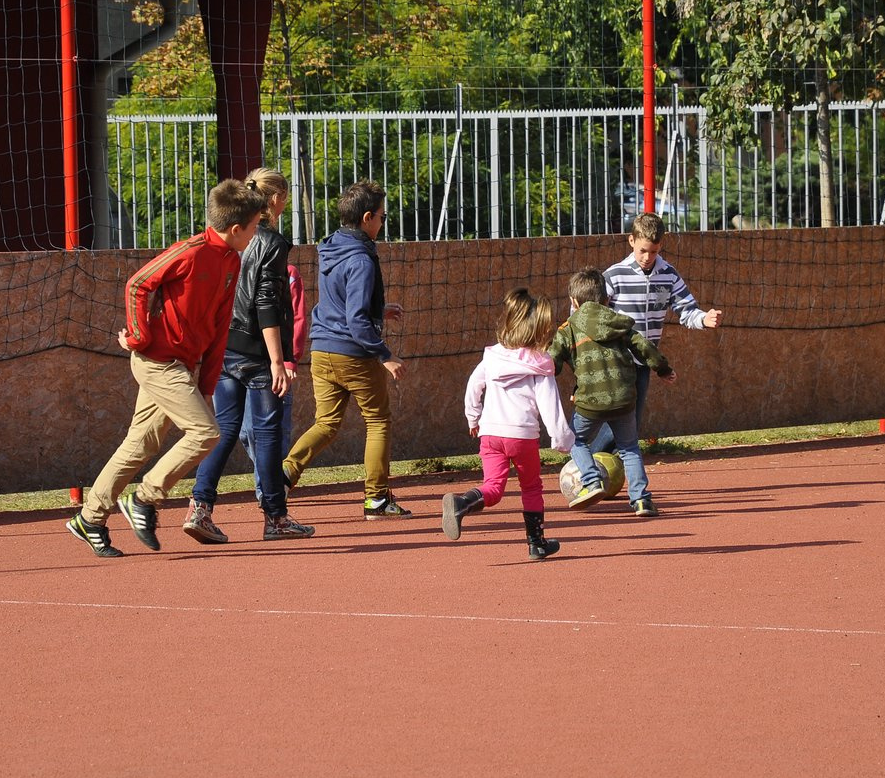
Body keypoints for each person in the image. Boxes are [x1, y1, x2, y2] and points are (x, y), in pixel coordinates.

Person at [66, 179, 265, 557]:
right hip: (157, 361)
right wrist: (139, 338)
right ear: (237, 229)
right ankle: (145, 498)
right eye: (255, 226)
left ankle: (89, 518)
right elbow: (138, 284)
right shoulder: (190, 251)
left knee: (140, 443)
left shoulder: (232, 260)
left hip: (184, 365)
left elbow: (221, 324)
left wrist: (206, 382)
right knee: (206, 433)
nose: (257, 233)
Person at [183, 167, 316, 544]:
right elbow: (266, 303)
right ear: (275, 200)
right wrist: (278, 359)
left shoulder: (231, 238)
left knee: (224, 430)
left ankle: (200, 506)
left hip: (226, 345)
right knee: (268, 432)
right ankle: (275, 517)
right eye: (284, 195)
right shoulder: (271, 242)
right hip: (258, 350)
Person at [281, 178, 411, 519]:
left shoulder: (332, 247)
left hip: (322, 350)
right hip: (353, 352)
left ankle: (282, 476)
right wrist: (386, 355)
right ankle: (377, 499)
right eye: (382, 217)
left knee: (326, 423)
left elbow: (341, 301)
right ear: (368, 218)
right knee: (379, 421)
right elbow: (354, 319)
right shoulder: (363, 260)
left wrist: (379, 310)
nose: (383, 223)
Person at [441, 288, 574, 560]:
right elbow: (551, 408)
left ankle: (462, 503)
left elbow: (473, 386)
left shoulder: (493, 357)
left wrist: (473, 417)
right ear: (539, 331)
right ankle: (536, 543)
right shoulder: (540, 365)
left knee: (493, 487)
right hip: (522, 436)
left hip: (490, 434)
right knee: (531, 487)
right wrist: (563, 441)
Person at [550, 267, 675, 517]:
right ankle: (641, 500)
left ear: (573, 302)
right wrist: (662, 369)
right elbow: (644, 346)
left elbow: (552, 363)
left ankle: (592, 480)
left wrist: (538, 373)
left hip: (590, 402)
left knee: (576, 440)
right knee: (629, 447)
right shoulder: (619, 323)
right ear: (606, 299)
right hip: (623, 398)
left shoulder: (567, 330)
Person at [602, 211, 722, 442]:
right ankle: (585, 459)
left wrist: (703, 319)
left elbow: (686, 309)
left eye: (654, 251)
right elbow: (590, 311)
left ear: (661, 246)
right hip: (616, 358)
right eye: (643, 251)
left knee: (632, 421)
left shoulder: (668, 274)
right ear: (631, 241)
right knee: (618, 417)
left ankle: (604, 466)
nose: (648, 257)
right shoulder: (614, 275)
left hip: (644, 359)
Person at [242, 259, 307, 506]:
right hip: (245, 363)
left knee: (273, 430)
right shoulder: (238, 270)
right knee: (247, 432)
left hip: (276, 365)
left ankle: (268, 490)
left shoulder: (289, 273)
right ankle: (272, 478)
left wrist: (289, 361)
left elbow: (298, 318)